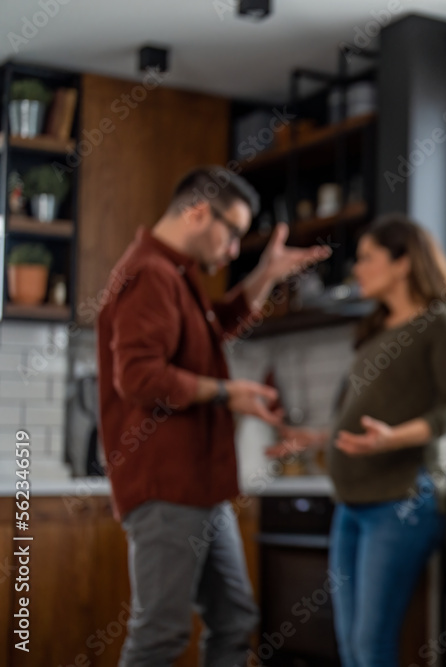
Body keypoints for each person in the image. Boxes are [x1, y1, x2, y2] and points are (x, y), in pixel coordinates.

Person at [96, 165, 331, 667]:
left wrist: (266, 273)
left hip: (200, 485)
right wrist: (225, 392)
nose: (231, 251)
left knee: (234, 620)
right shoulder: (150, 274)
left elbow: (217, 326)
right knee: (160, 634)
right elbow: (138, 376)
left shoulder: (176, 274)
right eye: (233, 235)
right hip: (167, 485)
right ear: (199, 211)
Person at [270, 214, 446, 667]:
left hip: (401, 500)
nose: (356, 269)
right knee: (350, 646)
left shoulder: (440, 323)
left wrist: (392, 440)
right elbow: (365, 422)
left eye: (367, 258)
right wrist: (318, 438)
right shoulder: (372, 331)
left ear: (403, 262)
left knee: (371, 646)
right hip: (351, 502)